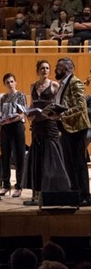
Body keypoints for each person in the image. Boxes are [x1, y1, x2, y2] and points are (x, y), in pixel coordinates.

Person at [21, 60, 71, 206]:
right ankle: (36, 192)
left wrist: (51, 114)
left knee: (52, 157)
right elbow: (32, 104)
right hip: (36, 125)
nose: (45, 70)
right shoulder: (33, 86)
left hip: (49, 124)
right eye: (42, 68)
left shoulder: (55, 85)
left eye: (47, 68)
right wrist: (28, 113)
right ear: (37, 70)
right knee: (37, 157)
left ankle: (54, 191)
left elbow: (60, 104)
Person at [52, 57, 91, 206]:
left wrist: (61, 115)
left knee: (79, 163)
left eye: (58, 67)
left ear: (67, 69)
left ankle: (85, 195)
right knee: (69, 163)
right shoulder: (62, 84)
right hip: (66, 128)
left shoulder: (76, 82)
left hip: (77, 128)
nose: (56, 70)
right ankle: (75, 192)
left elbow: (80, 106)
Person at [0, 73, 27, 197]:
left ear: (15, 82)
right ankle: (6, 185)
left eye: (12, 81)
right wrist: (1, 118)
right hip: (5, 127)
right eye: (7, 82)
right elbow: (2, 113)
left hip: (17, 126)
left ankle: (19, 186)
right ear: (5, 84)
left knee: (19, 156)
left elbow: (22, 114)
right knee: (5, 156)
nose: (10, 84)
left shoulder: (21, 95)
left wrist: (11, 120)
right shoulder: (3, 97)